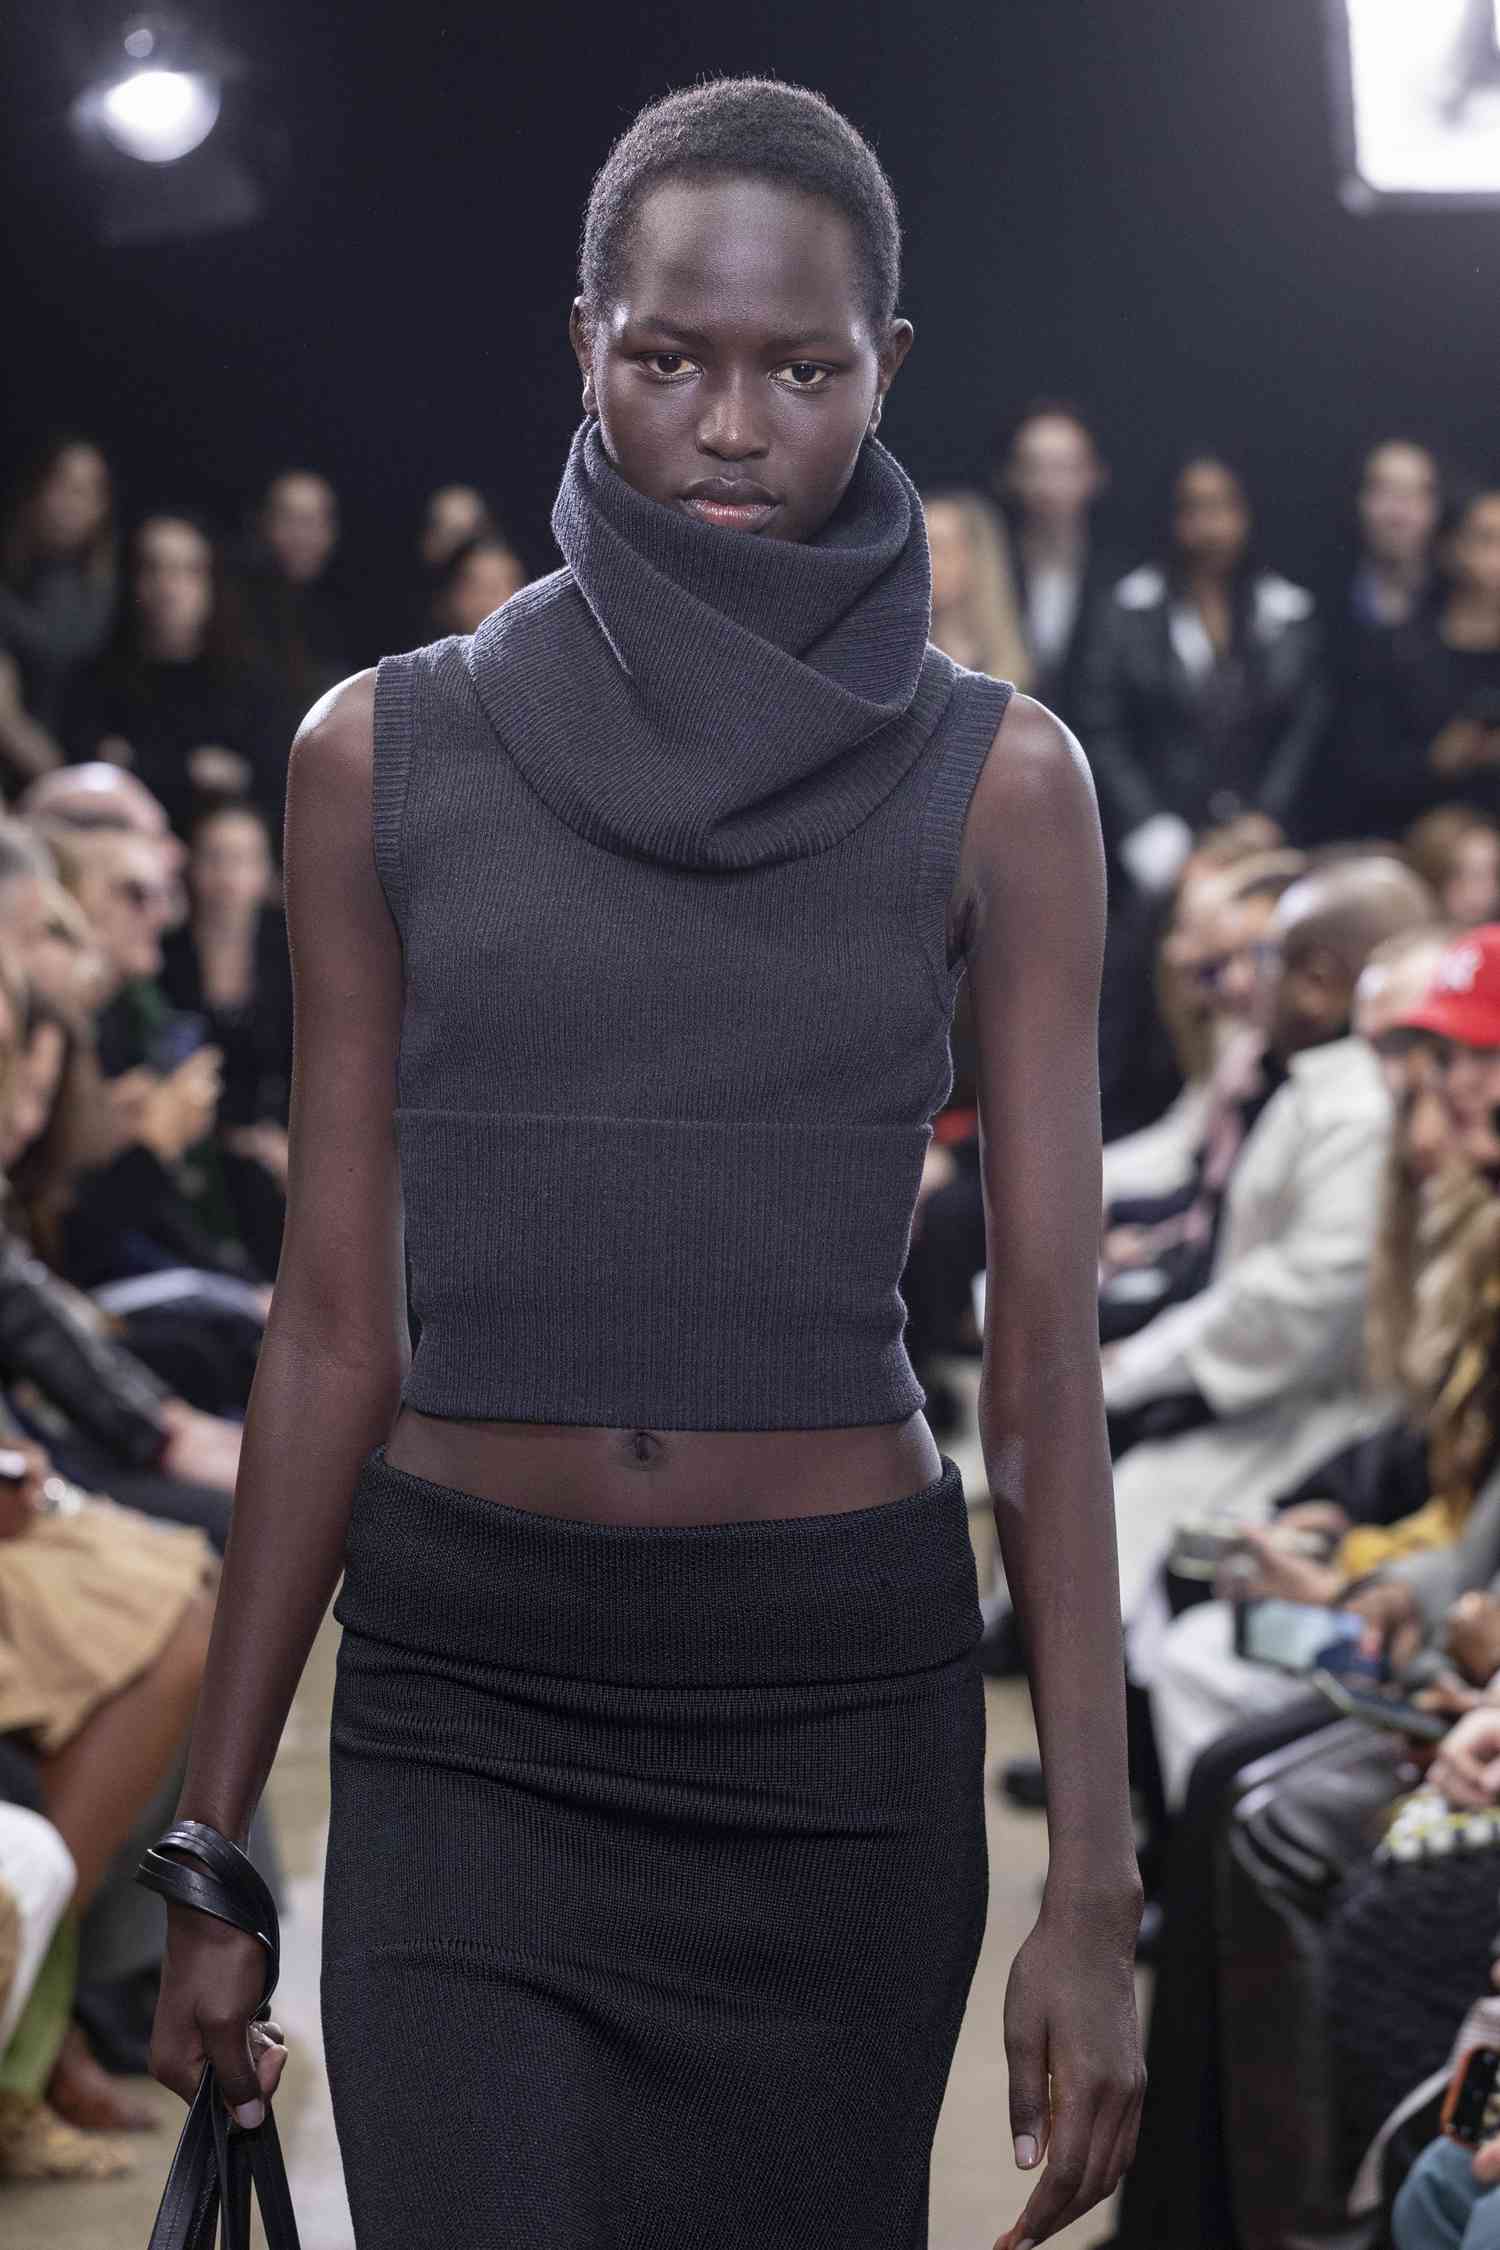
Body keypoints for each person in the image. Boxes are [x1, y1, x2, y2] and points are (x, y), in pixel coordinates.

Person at [146, 74, 1144, 2250]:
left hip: (832, 1729)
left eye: (800, 368)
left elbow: (1045, 1361)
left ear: (886, 371)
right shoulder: (377, 756)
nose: (727, 425)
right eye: (668, 356)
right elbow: (331, 1326)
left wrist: (1097, 1879)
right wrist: (212, 1848)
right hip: (470, 1719)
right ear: (584, 339)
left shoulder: (1005, 788)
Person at [1078, 450, 1329, 898]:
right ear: (1172, 517)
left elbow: (1304, 730)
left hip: (1264, 841)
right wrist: (1151, 830)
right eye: (1194, 509)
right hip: (1158, 849)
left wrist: (1268, 817)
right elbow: (1101, 730)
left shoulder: (1289, 613)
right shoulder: (1126, 610)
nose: (1209, 527)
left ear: (1247, 514)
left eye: (1223, 507)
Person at [64, 513, 285, 843]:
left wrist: (138, 762)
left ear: (210, 583)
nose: (169, 588)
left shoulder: (249, 684)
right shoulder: (93, 680)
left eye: (187, 571)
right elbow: (88, 778)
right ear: (132, 579)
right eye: (154, 569)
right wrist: (192, 772)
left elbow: (269, 784)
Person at [992, 401, 1119, 728]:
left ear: (1094, 475)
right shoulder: (989, 570)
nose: (1047, 485)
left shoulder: (1121, 579)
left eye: (1063, 467)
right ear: (1011, 476)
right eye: (1033, 467)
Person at [0, 436, 116, 768]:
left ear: (101, 506)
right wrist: (62, 782)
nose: (70, 503)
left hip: (103, 774)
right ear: (35, 492)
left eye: (85, 491)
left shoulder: (114, 597)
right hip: (25, 772)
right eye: (60, 485)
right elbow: (5, 718)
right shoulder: (8, 594)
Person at [922, 487, 1031, 688]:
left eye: (941, 547)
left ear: (978, 557)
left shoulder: (1012, 659)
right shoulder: (901, 655)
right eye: (922, 547)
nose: (929, 561)